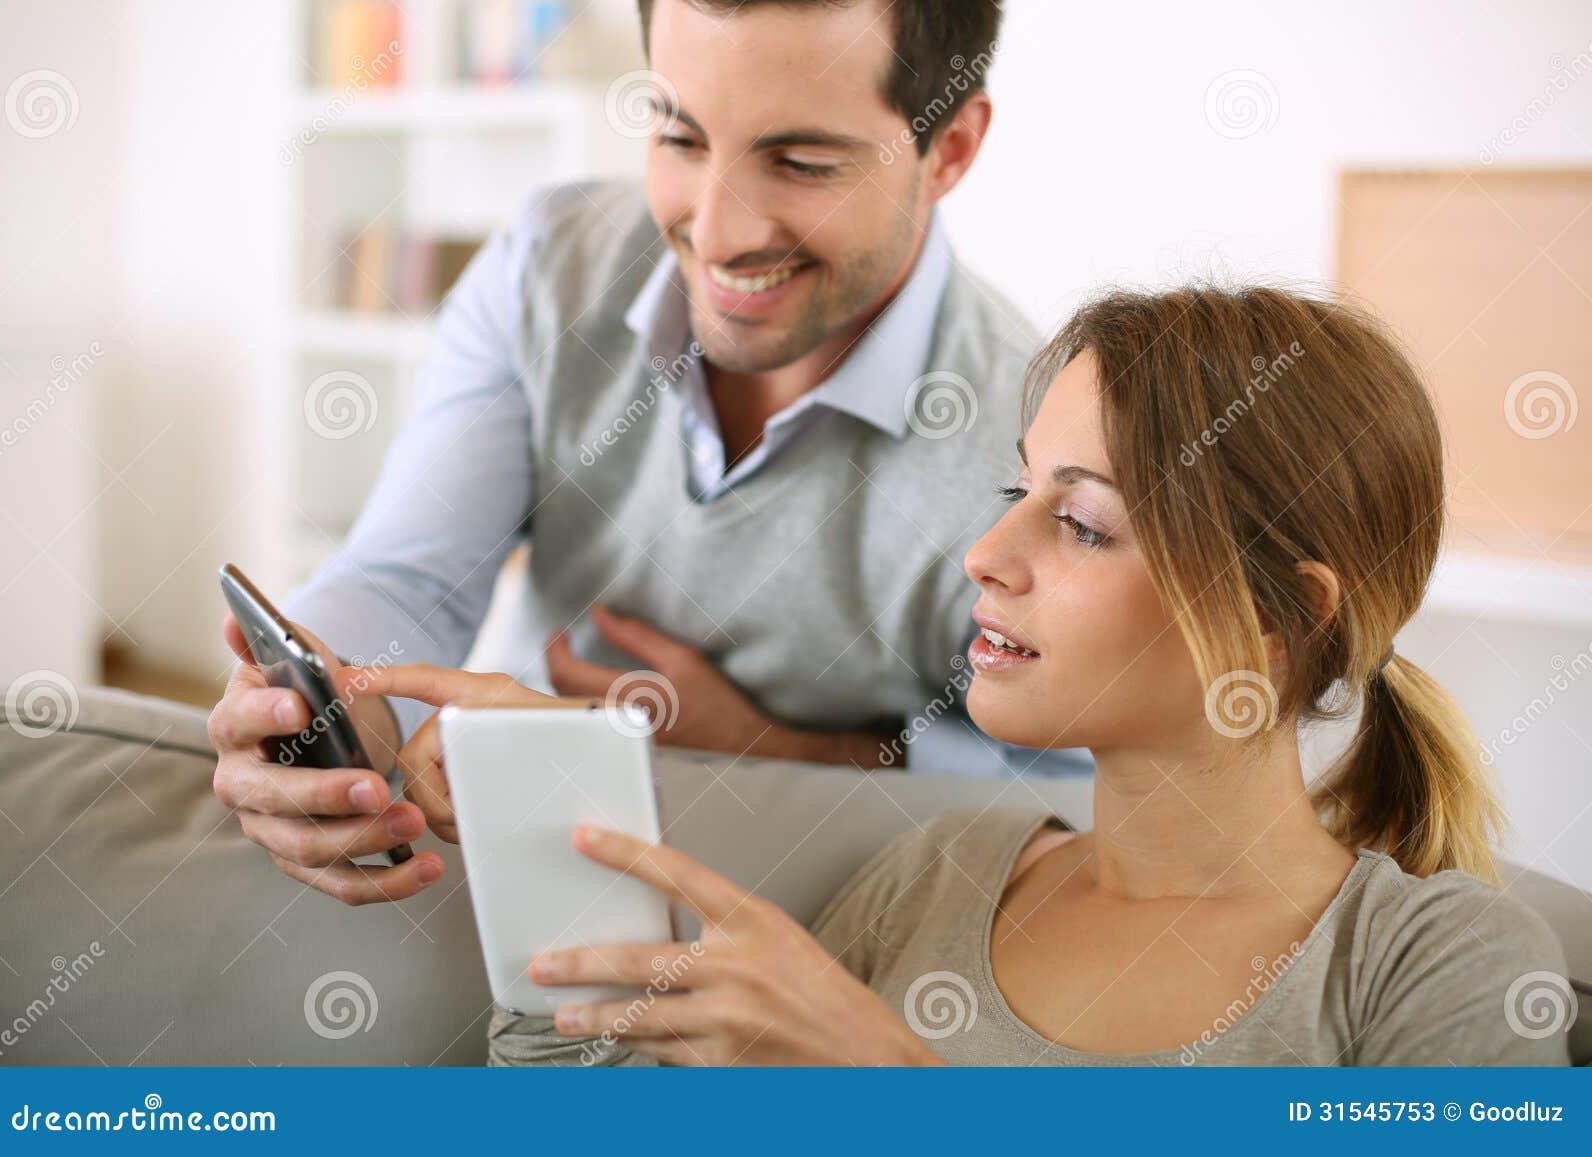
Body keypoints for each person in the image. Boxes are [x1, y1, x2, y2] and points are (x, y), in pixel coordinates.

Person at [343, 285, 1570, 1066]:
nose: (986, 556)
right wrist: (541, 805)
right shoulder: (939, 878)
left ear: (1279, 618)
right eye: (1012, 495)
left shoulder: (1439, 967)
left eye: (1082, 523)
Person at [208, 0, 1089, 908]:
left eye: (800, 162)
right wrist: (334, 701)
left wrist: (774, 747)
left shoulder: (1041, 441)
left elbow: (1070, 795)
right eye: (680, 137)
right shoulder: (547, 266)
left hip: (818, 908)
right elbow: (408, 580)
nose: (716, 231)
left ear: (949, 147)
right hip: (514, 857)